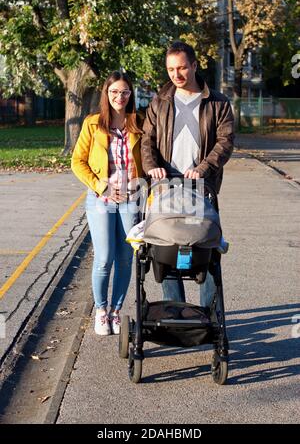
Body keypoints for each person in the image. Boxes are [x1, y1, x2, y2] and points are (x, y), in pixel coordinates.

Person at [141, 41, 234, 307]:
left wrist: (203, 169)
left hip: (201, 187)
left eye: (182, 67)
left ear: (194, 65)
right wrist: (151, 168)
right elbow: (147, 140)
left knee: (205, 248)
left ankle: (208, 315)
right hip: (165, 187)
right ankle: (176, 310)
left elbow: (225, 142)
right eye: (171, 69)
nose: (176, 75)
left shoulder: (217, 102)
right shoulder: (159, 102)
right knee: (165, 247)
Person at [71, 71, 143, 335]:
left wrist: (141, 182)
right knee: (104, 257)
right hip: (101, 198)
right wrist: (101, 185)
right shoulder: (93, 123)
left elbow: (146, 159)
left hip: (130, 199)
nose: (119, 97)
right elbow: (77, 162)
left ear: (130, 94)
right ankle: (100, 311)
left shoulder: (139, 122)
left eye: (124, 92)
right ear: (106, 94)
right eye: (114, 92)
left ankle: (115, 311)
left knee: (126, 258)